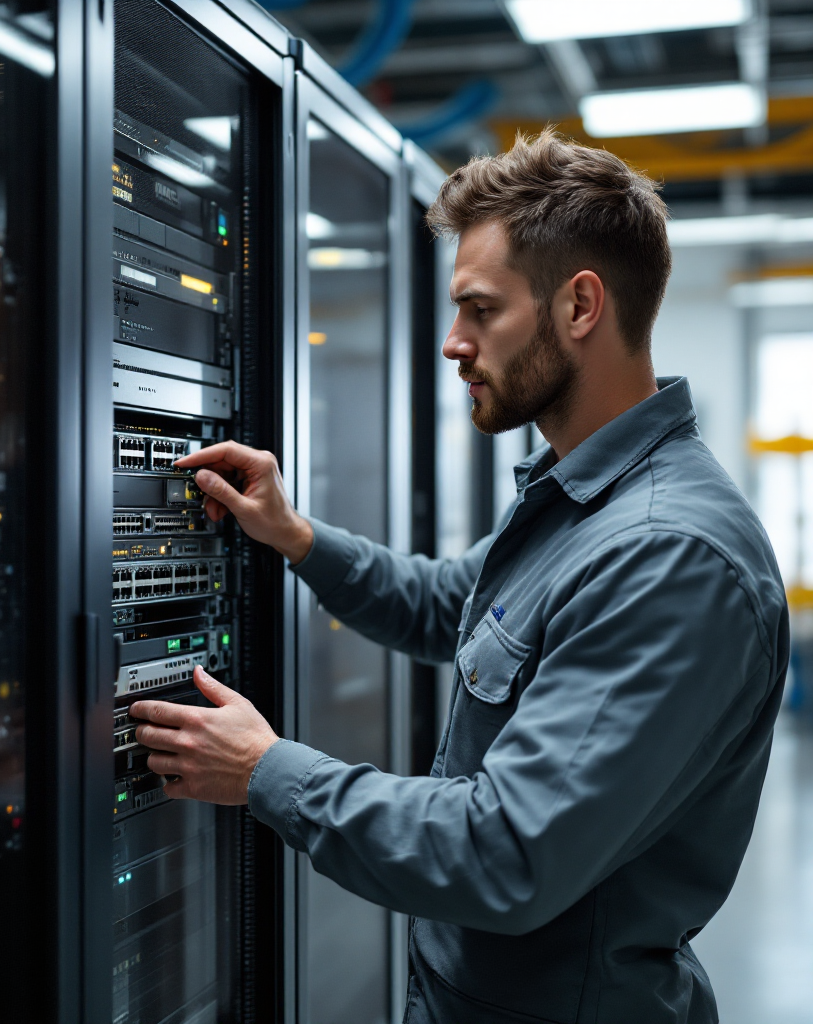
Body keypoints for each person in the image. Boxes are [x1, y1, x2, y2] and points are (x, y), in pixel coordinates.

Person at [130, 129, 789, 1024]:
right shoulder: (580, 501)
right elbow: (445, 603)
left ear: (580, 307)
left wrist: (266, 770)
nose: (452, 343)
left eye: (480, 310)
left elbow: (504, 853)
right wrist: (294, 535)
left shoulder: (666, 555)